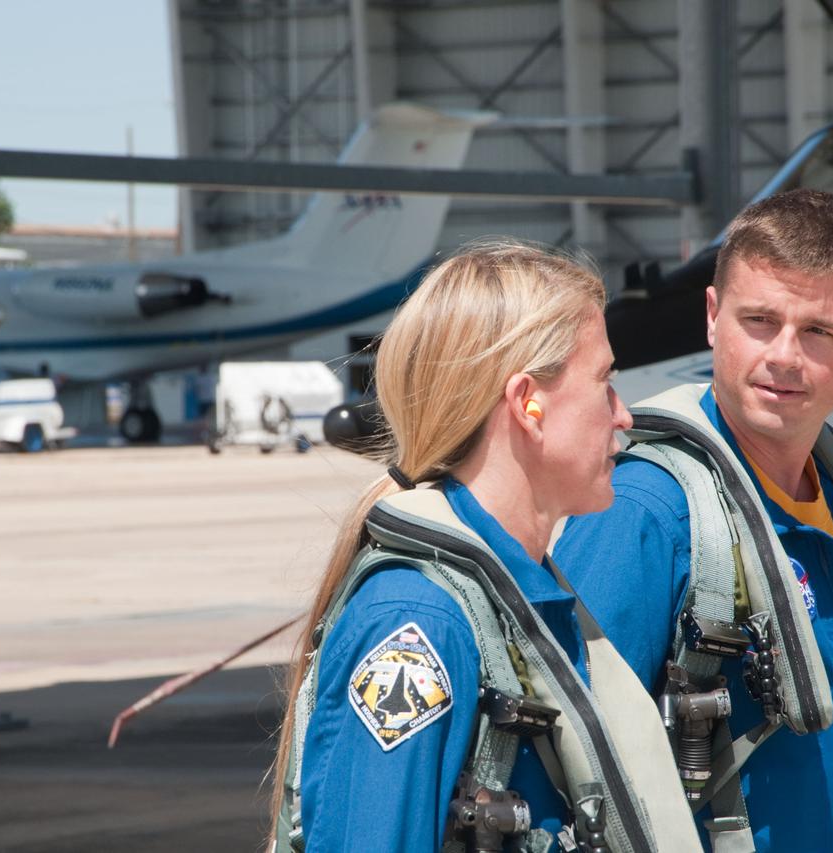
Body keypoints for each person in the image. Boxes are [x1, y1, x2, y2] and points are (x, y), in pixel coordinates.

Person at [269, 241, 702, 853]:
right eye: (604, 381)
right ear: (528, 403)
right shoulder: (419, 623)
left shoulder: (523, 595)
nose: (624, 415)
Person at [554, 189, 833, 852]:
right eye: (759, 320)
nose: (784, 354)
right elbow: (569, 765)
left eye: (818, 330)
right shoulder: (648, 514)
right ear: (712, 317)